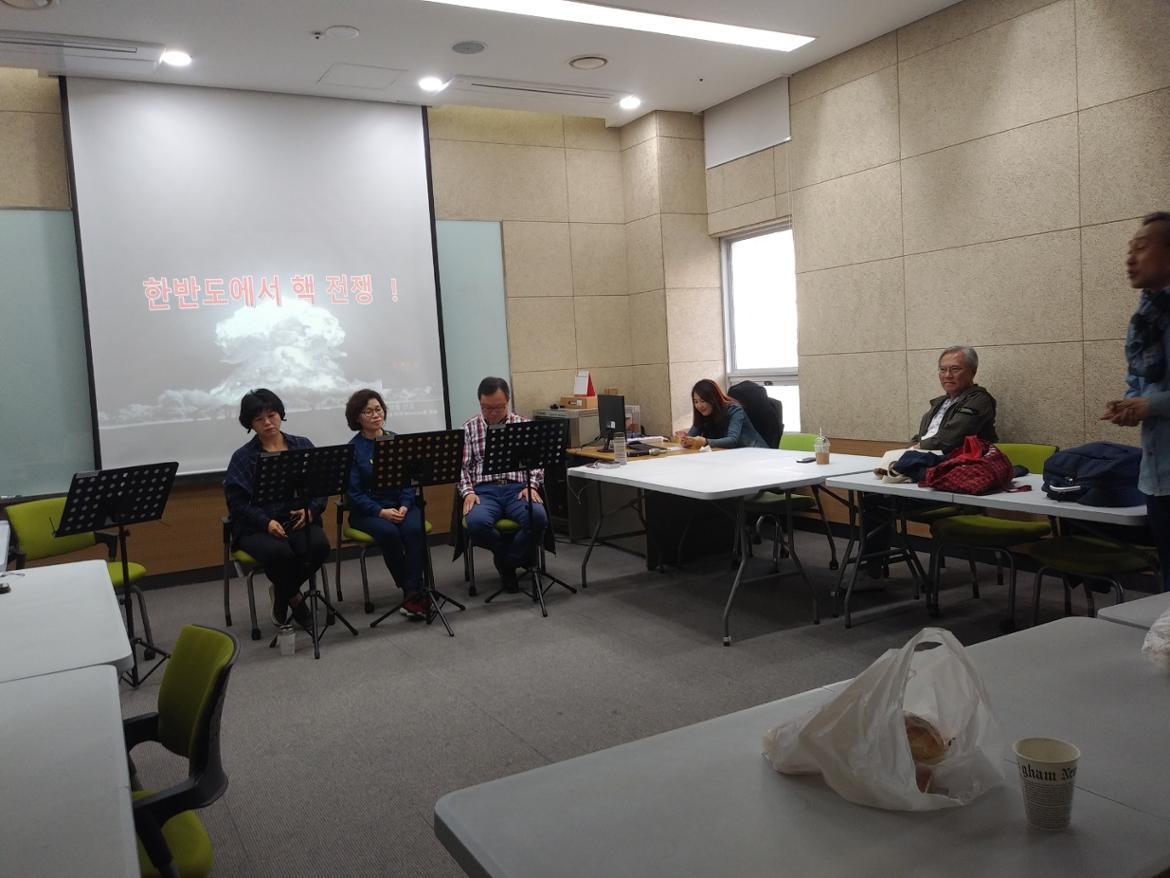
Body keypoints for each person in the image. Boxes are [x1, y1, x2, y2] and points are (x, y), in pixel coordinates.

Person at [1100, 211, 1170, 591]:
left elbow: (1152, 399)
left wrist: (1151, 405)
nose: (1130, 258)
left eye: (1141, 248)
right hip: (1157, 477)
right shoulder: (1146, 319)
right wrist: (1129, 405)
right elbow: (1137, 383)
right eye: (1129, 248)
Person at [224, 388, 330, 630]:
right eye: (259, 419)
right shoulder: (243, 457)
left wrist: (311, 511)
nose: (267, 423)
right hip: (257, 527)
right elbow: (237, 503)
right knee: (280, 554)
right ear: (250, 424)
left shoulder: (302, 445)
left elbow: (321, 487)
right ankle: (297, 602)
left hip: (298, 520)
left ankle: (282, 593)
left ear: (280, 415)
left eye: (271, 415)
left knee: (318, 547)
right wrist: (265, 522)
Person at [344, 389, 428, 620]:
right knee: (390, 533)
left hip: (401, 506)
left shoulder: (396, 440)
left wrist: (405, 504)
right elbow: (354, 494)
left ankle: (412, 594)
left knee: (414, 528)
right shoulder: (353, 449)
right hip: (368, 511)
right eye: (368, 411)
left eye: (378, 409)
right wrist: (380, 512)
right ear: (357, 417)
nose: (375, 415)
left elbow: (410, 481)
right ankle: (412, 592)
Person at [459, 377, 547, 592]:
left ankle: (507, 562)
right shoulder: (469, 428)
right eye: (486, 408)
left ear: (508, 401)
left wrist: (531, 485)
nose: (492, 413)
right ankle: (508, 556)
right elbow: (461, 468)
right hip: (484, 491)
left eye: (498, 407)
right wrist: (468, 492)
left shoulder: (523, 426)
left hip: (518, 488)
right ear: (480, 403)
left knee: (537, 518)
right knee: (476, 523)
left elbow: (537, 463)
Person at [911, 346, 998, 453]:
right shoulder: (939, 402)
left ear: (973, 372)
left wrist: (915, 448)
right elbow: (925, 436)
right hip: (924, 455)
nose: (948, 375)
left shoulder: (979, 400)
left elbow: (950, 438)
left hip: (957, 459)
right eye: (943, 370)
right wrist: (910, 447)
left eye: (955, 369)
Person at [675, 379, 769, 449]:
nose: (699, 406)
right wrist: (686, 440)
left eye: (703, 401)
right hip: (732, 455)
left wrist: (705, 441)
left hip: (756, 454)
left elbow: (732, 440)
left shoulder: (735, 410)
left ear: (713, 399)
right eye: (696, 402)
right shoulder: (703, 414)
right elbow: (692, 436)